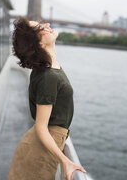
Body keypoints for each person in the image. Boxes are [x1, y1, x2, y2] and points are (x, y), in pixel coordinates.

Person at [7, 16, 87, 180]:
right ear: (38, 45)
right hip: (42, 150)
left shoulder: (51, 69)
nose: (48, 25)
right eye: (40, 28)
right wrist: (65, 160)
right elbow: (41, 127)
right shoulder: (47, 75)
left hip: (46, 144)